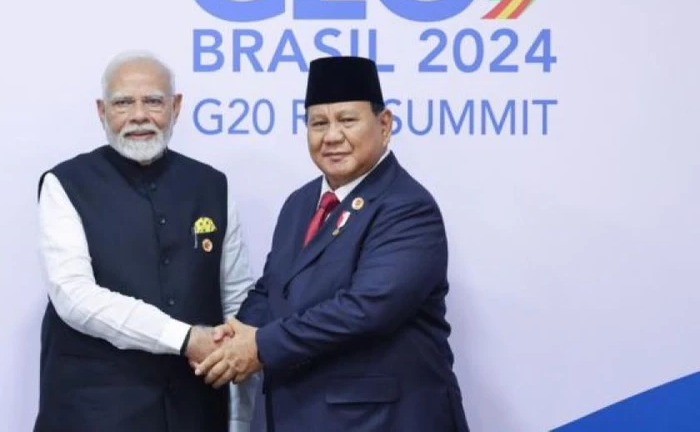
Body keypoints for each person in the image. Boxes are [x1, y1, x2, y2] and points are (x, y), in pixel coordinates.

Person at [194, 55, 469, 431]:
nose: (332, 136)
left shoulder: (407, 207)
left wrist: (258, 346)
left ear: (384, 124)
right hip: (302, 414)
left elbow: (365, 309)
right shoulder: (300, 202)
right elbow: (274, 288)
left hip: (383, 421)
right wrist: (234, 335)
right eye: (318, 123)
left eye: (347, 120)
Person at [33, 50, 257, 432]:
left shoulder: (211, 185)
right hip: (94, 413)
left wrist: (238, 418)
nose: (139, 115)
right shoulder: (65, 184)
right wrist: (185, 338)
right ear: (102, 112)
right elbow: (73, 296)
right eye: (123, 103)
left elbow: (235, 300)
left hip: (196, 411)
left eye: (153, 101)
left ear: (176, 106)